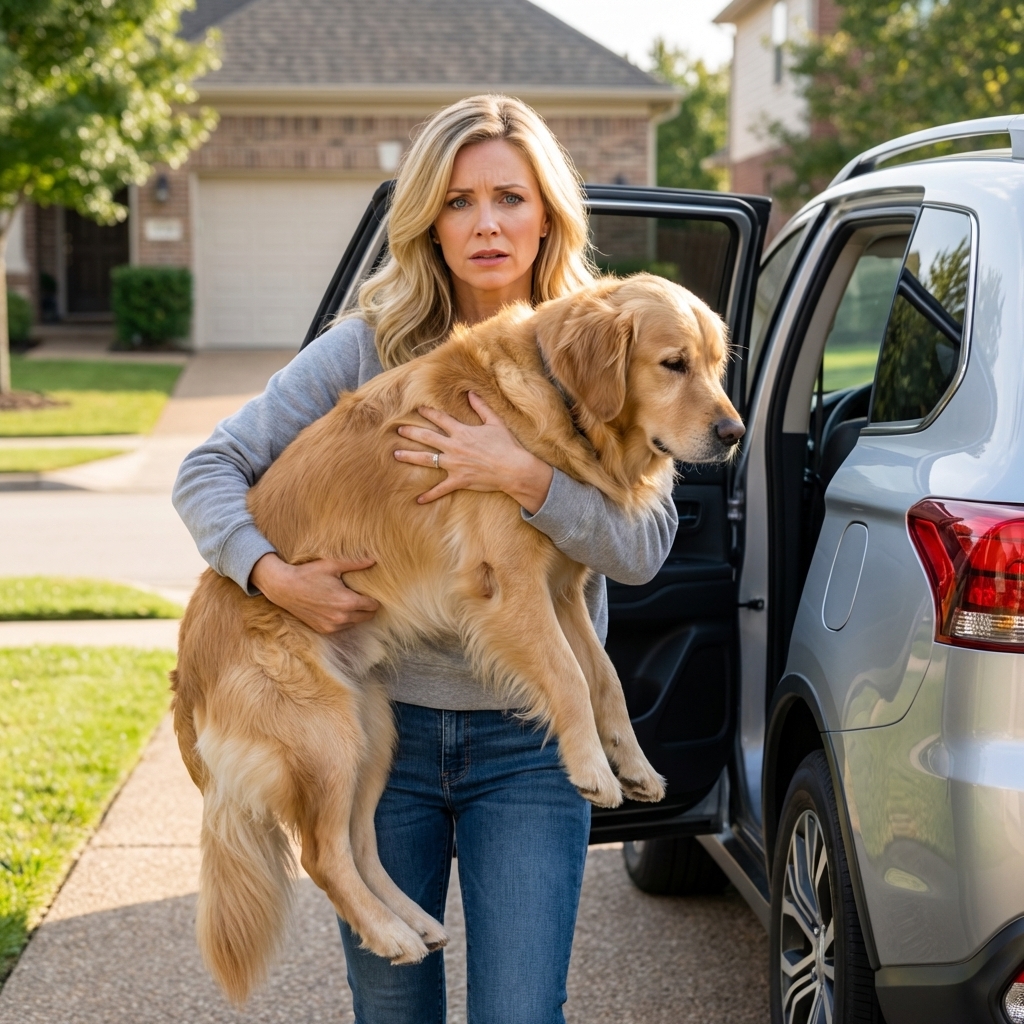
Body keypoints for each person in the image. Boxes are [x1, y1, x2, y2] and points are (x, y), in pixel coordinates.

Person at [173, 94, 677, 1024]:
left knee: (522, 1013)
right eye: (457, 202)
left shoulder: (606, 342)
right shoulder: (364, 351)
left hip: (526, 751)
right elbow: (208, 469)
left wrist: (528, 477)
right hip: (384, 727)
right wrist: (274, 577)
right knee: (393, 1012)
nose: (485, 223)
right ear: (427, 224)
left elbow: (643, 550)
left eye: (509, 198)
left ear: (548, 213)